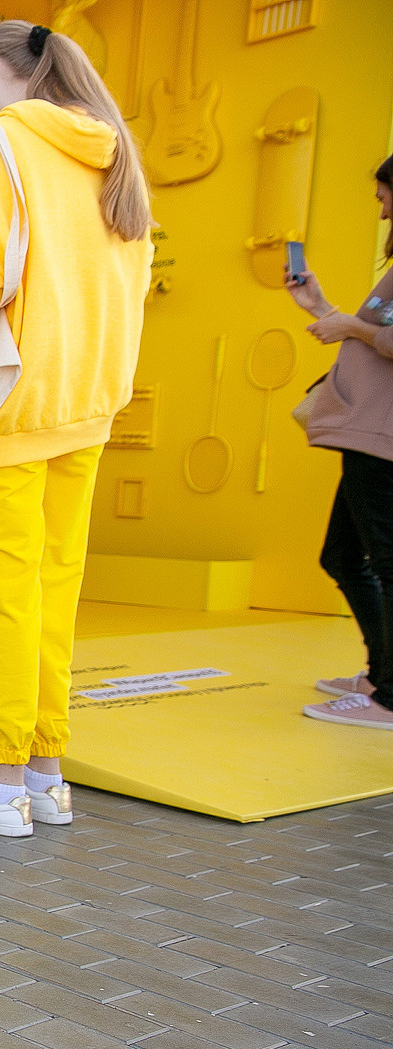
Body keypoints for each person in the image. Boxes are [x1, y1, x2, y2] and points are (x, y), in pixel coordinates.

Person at [0, 21, 153, 835]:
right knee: (52, 593)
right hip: (87, 407)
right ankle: (46, 775)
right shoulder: (112, 154)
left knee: (1, 595)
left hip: (12, 403)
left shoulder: (0, 143)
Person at [290, 154, 393, 732]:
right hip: (369, 433)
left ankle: (390, 695)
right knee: (343, 556)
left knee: (384, 563)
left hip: (383, 437)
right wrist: (324, 309)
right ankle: (381, 676)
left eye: (384, 197)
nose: (382, 211)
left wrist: (349, 325)